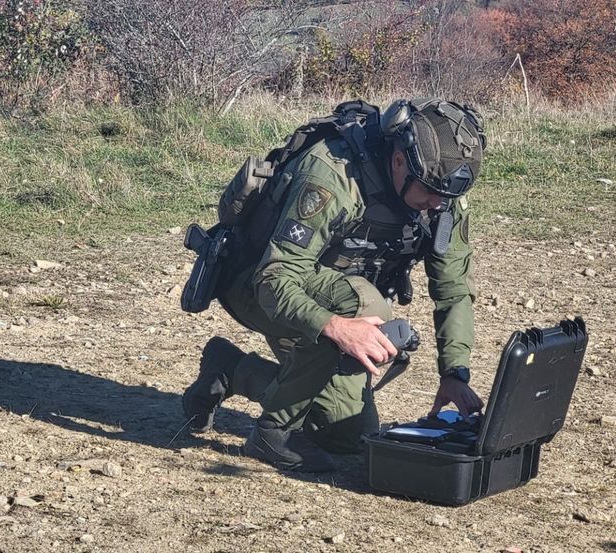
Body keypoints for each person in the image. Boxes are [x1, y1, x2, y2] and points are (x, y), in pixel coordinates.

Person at [181, 98, 487, 472]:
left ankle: (229, 369)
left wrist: (454, 373)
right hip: (257, 285)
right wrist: (337, 329)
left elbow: (453, 287)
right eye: (429, 192)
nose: (438, 204)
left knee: (345, 434)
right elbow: (274, 278)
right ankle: (271, 433)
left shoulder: (441, 190)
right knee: (366, 305)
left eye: (447, 197)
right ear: (399, 161)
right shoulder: (333, 173)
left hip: (331, 294)